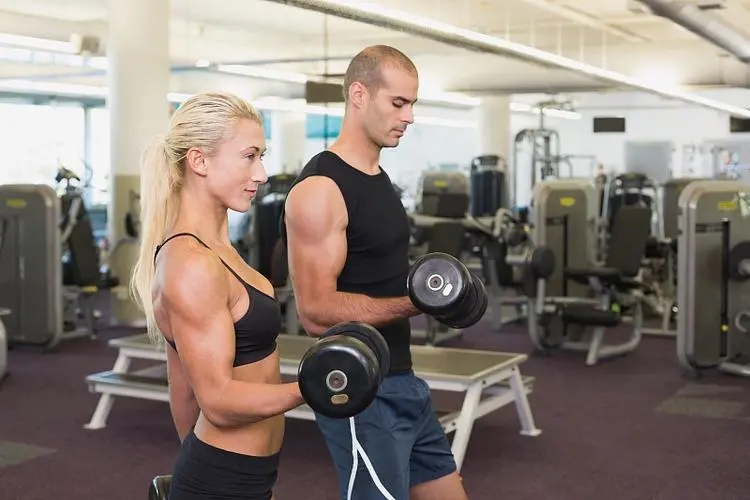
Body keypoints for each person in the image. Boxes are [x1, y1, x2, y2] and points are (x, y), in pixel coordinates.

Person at [280, 45, 470, 500]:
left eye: (412, 104)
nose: (409, 117)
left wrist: (440, 295)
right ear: (359, 95)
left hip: (403, 379)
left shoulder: (380, 180)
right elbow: (316, 312)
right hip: (361, 392)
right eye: (398, 103)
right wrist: (419, 301)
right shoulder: (321, 189)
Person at [130, 91, 305, 500]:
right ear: (199, 161)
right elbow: (218, 401)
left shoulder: (218, 250)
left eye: (262, 156)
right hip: (223, 479)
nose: (262, 174)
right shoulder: (191, 263)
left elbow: (182, 387)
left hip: (240, 474)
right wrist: (311, 387)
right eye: (249, 156)